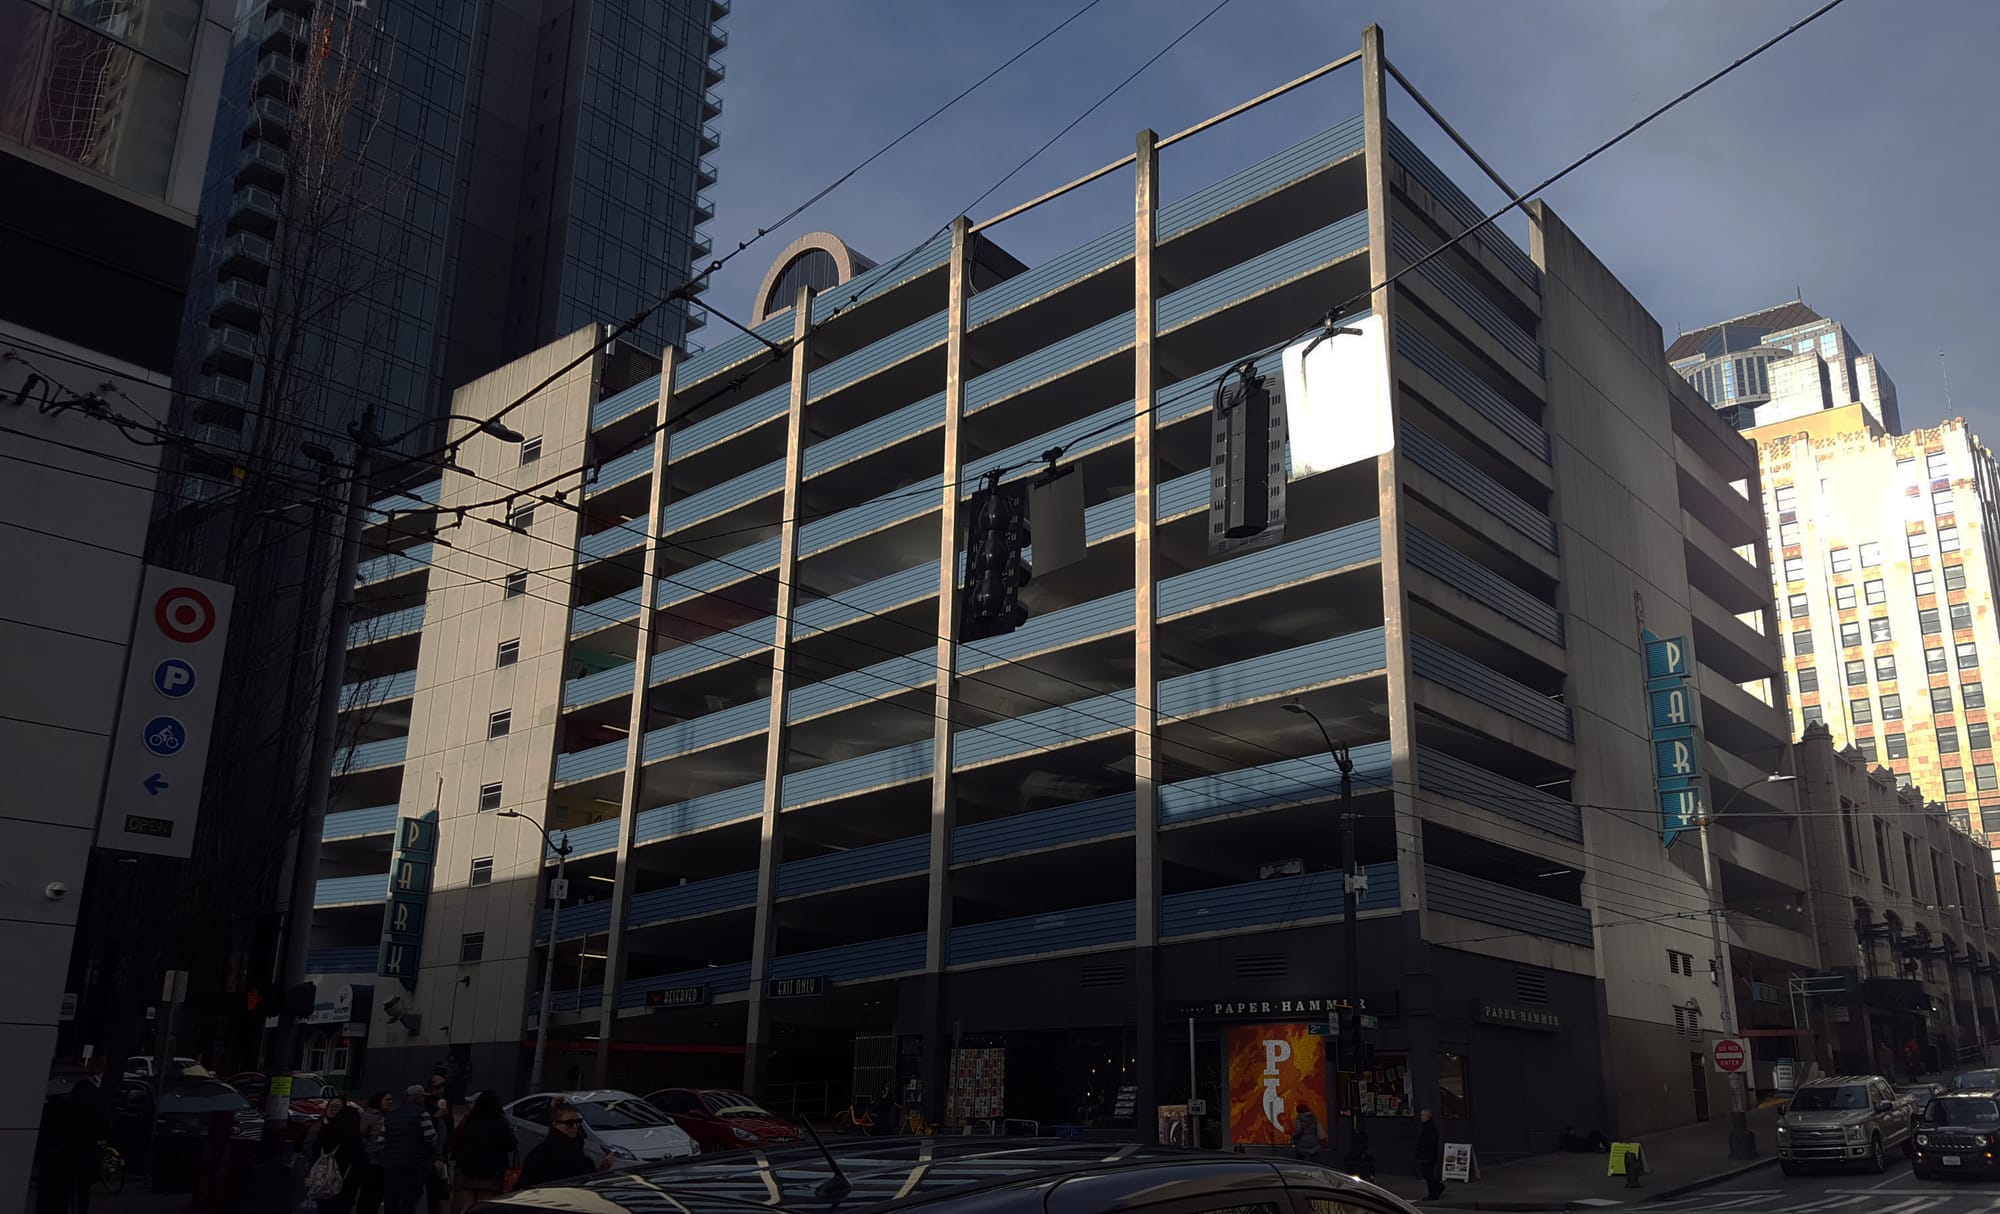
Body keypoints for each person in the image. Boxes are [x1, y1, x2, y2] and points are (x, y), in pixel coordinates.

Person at [450, 1092, 517, 1212]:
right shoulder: (500, 1123)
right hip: (490, 1173)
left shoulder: (470, 1122)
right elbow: (511, 1145)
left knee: (467, 1205)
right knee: (485, 1207)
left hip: (468, 1171)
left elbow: (457, 1143)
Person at [379, 1085, 438, 1214]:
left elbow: (381, 1141)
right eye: (423, 1097)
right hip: (413, 1164)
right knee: (408, 1202)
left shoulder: (391, 1115)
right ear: (418, 1097)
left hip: (391, 1165)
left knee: (391, 1199)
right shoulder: (422, 1113)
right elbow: (430, 1137)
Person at [307, 1100, 369, 1214]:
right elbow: (360, 1163)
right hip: (345, 1186)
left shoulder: (325, 1131)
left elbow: (313, 1150)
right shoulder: (353, 1139)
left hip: (322, 1183)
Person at [518, 1100, 594, 1189]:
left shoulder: (578, 1148)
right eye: (569, 1123)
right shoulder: (541, 1154)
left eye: (578, 1122)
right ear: (555, 1124)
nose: (575, 1126)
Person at [354, 1091, 393, 1214]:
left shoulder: (389, 1116)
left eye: (391, 1100)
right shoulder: (368, 1116)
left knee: (378, 1195)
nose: (390, 1102)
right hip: (371, 1161)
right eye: (387, 1099)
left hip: (385, 1161)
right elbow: (360, 1135)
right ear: (379, 1100)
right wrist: (371, 1148)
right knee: (368, 1195)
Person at [1415, 1107, 1445, 1201]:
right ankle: (1437, 1188)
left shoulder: (1431, 1127)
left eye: (1424, 1115)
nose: (1422, 1117)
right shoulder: (1425, 1126)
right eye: (1422, 1115)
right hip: (1425, 1154)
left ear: (1429, 1116)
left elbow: (1431, 1142)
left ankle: (1434, 1193)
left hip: (1428, 1155)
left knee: (1428, 1174)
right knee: (1427, 1174)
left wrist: (1424, 1149)